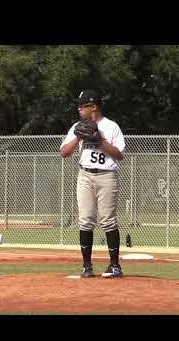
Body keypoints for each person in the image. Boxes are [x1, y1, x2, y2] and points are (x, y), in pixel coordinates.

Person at [60, 89, 126, 278]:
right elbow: (64, 153)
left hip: (107, 176)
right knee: (86, 219)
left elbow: (119, 155)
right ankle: (86, 266)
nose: (79, 109)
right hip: (85, 175)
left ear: (93, 107)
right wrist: (80, 136)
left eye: (83, 106)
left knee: (108, 220)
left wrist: (99, 140)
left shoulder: (111, 126)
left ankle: (114, 266)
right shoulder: (77, 126)